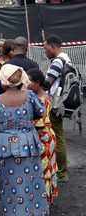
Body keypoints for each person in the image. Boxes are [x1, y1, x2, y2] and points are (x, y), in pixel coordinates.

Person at [0, 64, 48, 215]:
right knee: (31, 182)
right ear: (21, 79)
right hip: (28, 145)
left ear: (3, 80)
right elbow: (40, 112)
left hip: (6, 148)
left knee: (10, 184)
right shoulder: (30, 96)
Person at [27, 68, 58, 205]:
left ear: (38, 83)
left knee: (43, 169)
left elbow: (39, 122)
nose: (26, 85)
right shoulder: (41, 96)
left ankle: (43, 202)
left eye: (29, 82)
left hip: (43, 137)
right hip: (45, 137)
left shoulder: (42, 100)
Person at [43, 34, 71, 182]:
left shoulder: (58, 62)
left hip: (54, 103)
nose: (45, 51)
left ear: (53, 46)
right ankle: (60, 170)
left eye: (46, 47)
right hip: (62, 102)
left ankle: (61, 172)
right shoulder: (66, 59)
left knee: (57, 137)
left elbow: (48, 83)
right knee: (58, 135)